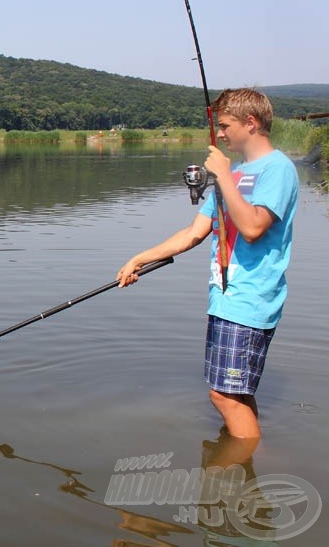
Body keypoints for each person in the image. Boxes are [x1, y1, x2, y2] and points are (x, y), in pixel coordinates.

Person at [116, 88, 298, 439]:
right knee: (236, 392)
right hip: (226, 298)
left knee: (224, 394)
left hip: (250, 299)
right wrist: (139, 258)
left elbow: (253, 228)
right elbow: (194, 233)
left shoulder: (277, 169)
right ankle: (246, 462)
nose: (222, 133)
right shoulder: (237, 174)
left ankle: (249, 466)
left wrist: (225, 178)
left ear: (251, 122)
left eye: (227, 125)